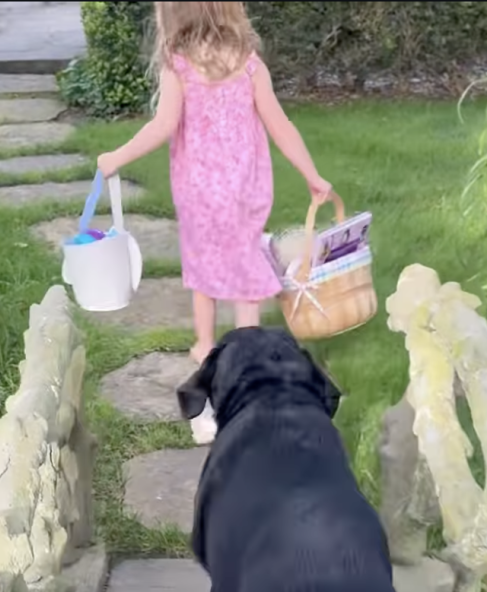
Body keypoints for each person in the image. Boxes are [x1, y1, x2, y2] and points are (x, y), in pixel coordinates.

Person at [97, 1, 331, 443]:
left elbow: (163, 125)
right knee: (245, 275)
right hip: (246, 193)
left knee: (203, 274)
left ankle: (205, 367)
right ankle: (248, 374)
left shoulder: (178, 64)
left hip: (199, 194)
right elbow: (280, 125)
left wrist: (116, 158)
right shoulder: (248, 63)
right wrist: (312, 175)